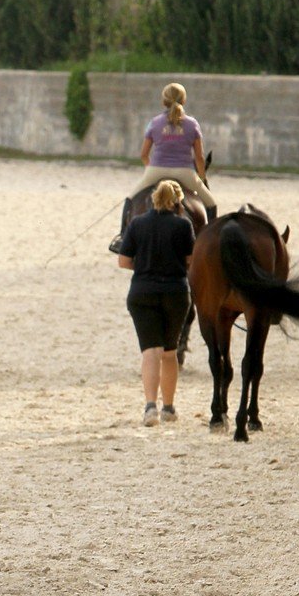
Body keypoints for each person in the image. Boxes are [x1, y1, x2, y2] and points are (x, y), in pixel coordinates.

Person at [116, 180, 195, 426]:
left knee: (150, 352)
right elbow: (191, 260)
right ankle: (168, 408)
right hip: (174, 292)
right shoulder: (183, 225)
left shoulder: (137, 223)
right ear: (177, 202)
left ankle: (150, 407)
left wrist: (144, 265)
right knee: (169, 353)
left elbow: (123, 261)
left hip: (142, 292)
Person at [128, 82, 217, 221]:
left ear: (164, 102)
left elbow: (144, 155)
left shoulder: (154, 122)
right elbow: (199, 158)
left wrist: (151, 168)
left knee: (130, 199)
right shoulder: (192, 124)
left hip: (156, 171)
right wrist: (202, 177)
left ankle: (122, 237)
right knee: (211, 203)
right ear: (184, 100)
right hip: (185, 172)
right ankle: (211, 239)